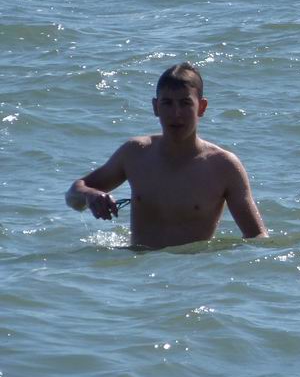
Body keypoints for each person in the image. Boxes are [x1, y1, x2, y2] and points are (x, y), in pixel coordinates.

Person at [65, 62, 268, 248]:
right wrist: (90, 196)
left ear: (202, 107)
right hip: (139, 267)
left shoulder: (223, 167)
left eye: (185, 103)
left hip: (193, 269)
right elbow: (73, 196)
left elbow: (258, 237)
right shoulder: (135, 153)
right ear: (155, 107)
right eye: (167, 103)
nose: (176, 113)